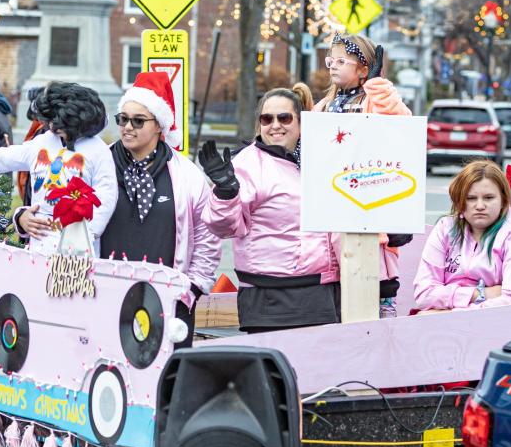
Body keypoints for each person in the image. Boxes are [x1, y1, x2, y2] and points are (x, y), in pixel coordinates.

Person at [200, 83, 341, 332]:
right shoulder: (248, 164)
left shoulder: (323, 158)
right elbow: (223, 227)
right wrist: (225, 192)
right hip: (268, 299)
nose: (275, 125)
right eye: (267, 119)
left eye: (284, 117)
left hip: (321, 294)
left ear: (300, 122)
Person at [103, 72, 220, 346]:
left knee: (166, 379)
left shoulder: (187, 175)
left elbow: (207, 236)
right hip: (107, 298)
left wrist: (191, 289)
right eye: (123, 119)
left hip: (168, 302)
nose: (128, 127)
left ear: (159, 126)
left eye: (138, 120)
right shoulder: (99, 165)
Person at [314, 33, 414, 317]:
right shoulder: (324, 106)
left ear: (362, 68)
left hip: (369, 204)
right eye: (329, 60)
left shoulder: (372, 100)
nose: (332, 65)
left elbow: (398, 122)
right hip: (331, 206)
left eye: (341, 61)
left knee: (375, 277)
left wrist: (376, 84)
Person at [0, 81, 116, 255]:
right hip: (41, 242)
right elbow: (5, 157)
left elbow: (106, 196)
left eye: (57, 122)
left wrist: (89, 234)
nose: (52, 127)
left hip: (79, 243)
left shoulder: (98, 151)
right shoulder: (42, 143)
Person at [413, 160, 511, 311]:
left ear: (503, 200)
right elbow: (424, 295)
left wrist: (449, 315)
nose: (480, 206)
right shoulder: (445, 229)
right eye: (471, 198)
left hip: (498, 328)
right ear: (459, 201)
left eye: (488, 198)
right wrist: (480, 293)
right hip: (439, 325)